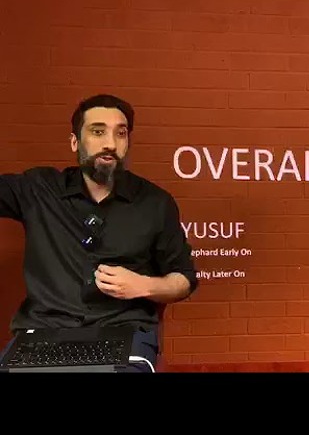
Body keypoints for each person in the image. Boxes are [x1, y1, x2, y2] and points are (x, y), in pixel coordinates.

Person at [0, 94, 198, 372]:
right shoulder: (38, 189)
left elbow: (184, 279)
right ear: (75, 142)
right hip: (44, 332)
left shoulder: (155, 203)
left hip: (124, 332)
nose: (110, 144)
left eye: (121, 133)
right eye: (97, 131)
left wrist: (143, 285)